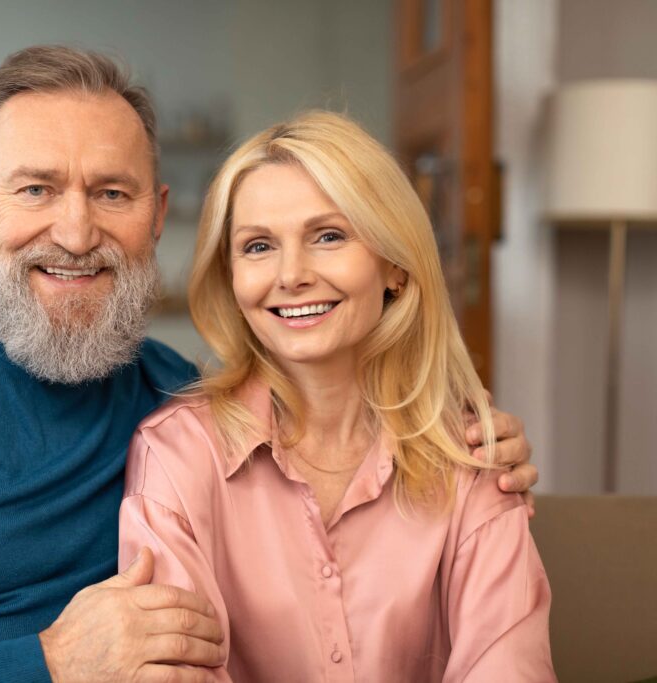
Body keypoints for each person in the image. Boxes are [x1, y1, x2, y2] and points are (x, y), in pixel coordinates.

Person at [0, 47, 538, 683]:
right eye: (35, 190)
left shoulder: (178, 404)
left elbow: (329, 423)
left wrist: (463, 433)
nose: (74, 231)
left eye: (111, 192)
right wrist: (46, 661)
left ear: (157, 216)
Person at [118, 111, 555, 682]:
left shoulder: (474, 456)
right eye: (257, 246)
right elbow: (174, 673)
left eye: (328, 236)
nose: (291, 274)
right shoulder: (175, 454)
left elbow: (508, 669)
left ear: (395, 265)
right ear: (230, 277)